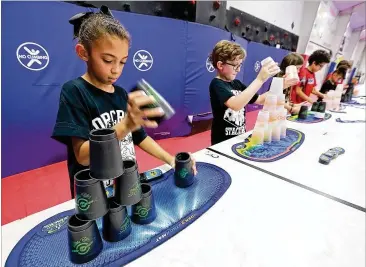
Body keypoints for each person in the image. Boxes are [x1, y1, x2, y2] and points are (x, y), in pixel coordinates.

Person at [51, 13, 197, 198]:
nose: (116, 69)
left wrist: (170, 159)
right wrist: (125, 125)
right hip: (93, 193)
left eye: (122, 62)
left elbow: (140, 137)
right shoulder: (74, 91)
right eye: (108, 60)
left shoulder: (120, 94)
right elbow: (82, 156)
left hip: (126, 184)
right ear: (83, 52)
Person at [208, 40, 279, 145]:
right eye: (235, 65)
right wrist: (259, 80)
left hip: (239, 138)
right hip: (221, 142)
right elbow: (236, 105)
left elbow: (260, 100)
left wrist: (281, 84)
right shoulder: (216, 84)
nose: (238, 69)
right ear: (220, 65)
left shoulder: (237, 83)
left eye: (240, 65)